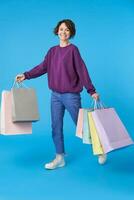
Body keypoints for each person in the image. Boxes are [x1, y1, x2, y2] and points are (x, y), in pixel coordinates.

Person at [15, 19, 107, 169]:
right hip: (55, 96)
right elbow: (42, 67)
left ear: (71, 33)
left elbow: (82, 70)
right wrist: (26, 75)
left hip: (71, 96)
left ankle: (101, 149)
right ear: (57, 31)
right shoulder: (52, 51)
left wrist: (91, 90)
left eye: (67, 30)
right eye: (61, 29)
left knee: (82, 126)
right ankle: (59, 158)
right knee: (55, 127)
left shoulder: (73, 50)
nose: (63, 32)